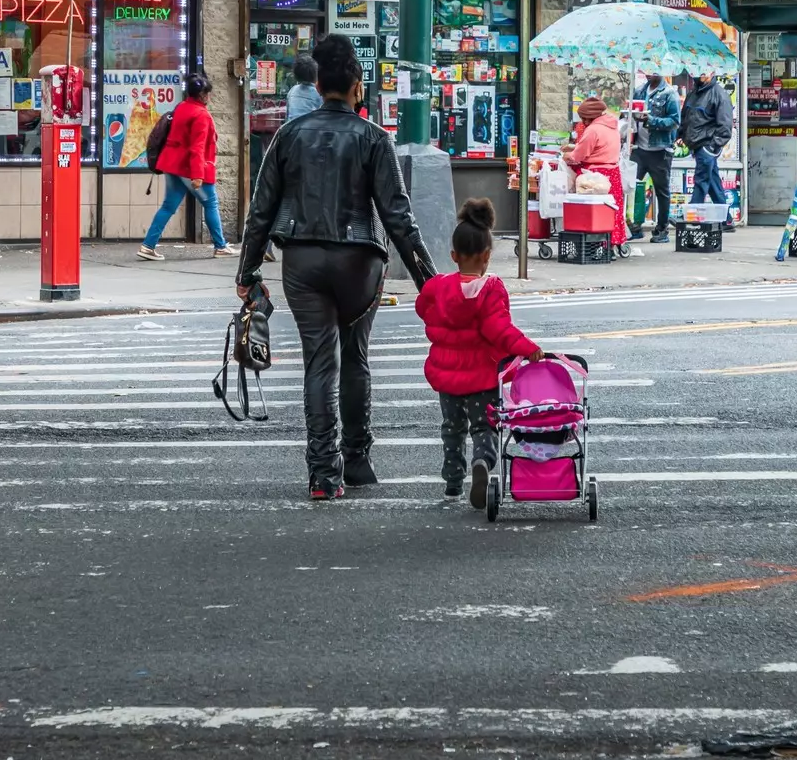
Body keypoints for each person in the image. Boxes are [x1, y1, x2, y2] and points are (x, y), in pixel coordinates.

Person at [237, 33, 437, 501]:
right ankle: (359, 458)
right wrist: (428, 280)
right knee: (356, 357)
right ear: (357, 86)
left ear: (320, 83)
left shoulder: (288, 136)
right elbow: (398, 218)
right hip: (360, 262)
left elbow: (260, 211)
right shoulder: (373, 138)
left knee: (319, 364)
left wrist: (247, 273)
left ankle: (324, 474)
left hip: (302, 262)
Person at [415, 198, 542, 508]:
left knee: (452, 430)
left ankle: (452, 484)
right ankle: (482, 463)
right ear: (487, 256)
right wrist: (529, 349)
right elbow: (500, 330)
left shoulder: (437, 287)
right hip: (482, 379)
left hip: (447, 380)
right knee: (484, 427)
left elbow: (423, 308)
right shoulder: (491, 290)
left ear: (454, 256)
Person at [139, 71, 235, 261]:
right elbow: (197, 148)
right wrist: (198, 175)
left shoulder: (182, 107)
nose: (210, 96)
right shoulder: (202, 115)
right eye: (208, 93)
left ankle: (148, 245)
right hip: (190, 168)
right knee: (210, 203)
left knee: (168, 206)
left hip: (172, 164)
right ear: (203, 95)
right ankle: (220, 246)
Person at [564, 95, 628, 251]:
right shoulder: (613, 126)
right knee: (611, 209)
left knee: (595, 212)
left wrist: (568, 156)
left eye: (585, 118)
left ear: (590, 117)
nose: (584, 122)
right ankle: (612, 243)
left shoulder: (593, 130)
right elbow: (600, 147)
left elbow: (580, 155)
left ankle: (598, 244)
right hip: (613, 173)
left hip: (594, 175)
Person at [630, 71, 681, 244]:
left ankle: (662, 229)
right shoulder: (638, 91)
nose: (648, 74)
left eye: (653, 71)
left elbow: (674, 122)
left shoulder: (669, 94)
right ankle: (634, 226)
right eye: (646, 70)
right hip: (639, 148)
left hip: (660, 150)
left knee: (662, 192)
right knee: (631, 187)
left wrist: (650, 119)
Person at [683, 69, 736, 230]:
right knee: (712, 181)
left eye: (703, 72)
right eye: (697, 71)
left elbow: (725, 126)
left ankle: (691, 217)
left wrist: (713, 146)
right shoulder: (694, 93)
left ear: (712, 73)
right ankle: (726, 220)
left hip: (707, 146)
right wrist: (680, 134)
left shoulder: (719, 94)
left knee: (701, 181)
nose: (700, 75)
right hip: (698, 144)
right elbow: (686, 116)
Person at [285, 53, 322, 122]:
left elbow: (287, 116)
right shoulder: (319, 93)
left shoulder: (292, 91)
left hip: (292, 130)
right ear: (316, 73)